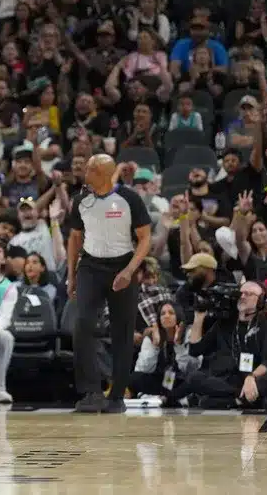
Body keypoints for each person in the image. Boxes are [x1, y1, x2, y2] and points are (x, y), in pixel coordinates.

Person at [67, 154, 152, 413]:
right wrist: (72, 276)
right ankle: (91, 392)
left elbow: (145, 238)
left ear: (103, 173)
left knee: (122, 332)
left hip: (122, 265)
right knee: (82, 324)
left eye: (90, 170)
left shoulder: (129, 199)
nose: (85, 173)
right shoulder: (81, 200)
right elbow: (74, 238)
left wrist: (129, 270)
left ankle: (116, 396)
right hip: (90, 267)